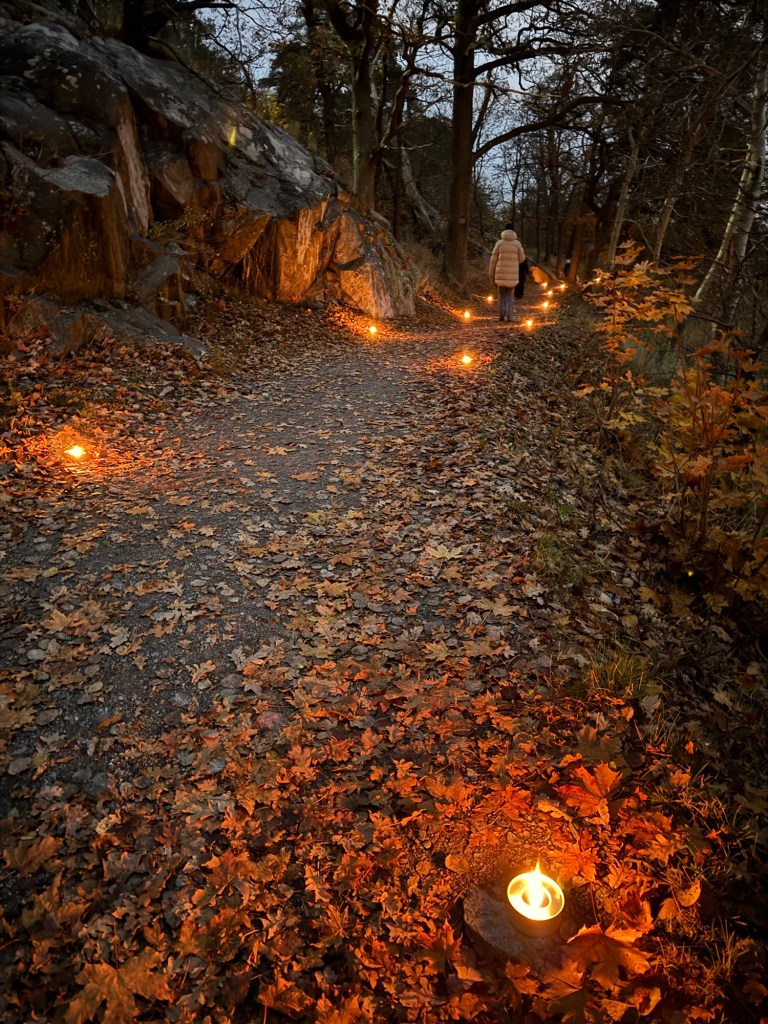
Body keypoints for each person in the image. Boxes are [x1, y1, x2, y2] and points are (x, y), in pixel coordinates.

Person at [489, 224, 525, 322]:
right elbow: (522, 259)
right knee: (509, 295)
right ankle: (510, 316)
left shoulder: (499, 243)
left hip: (500, 273)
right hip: (512, 274)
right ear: (513, 231)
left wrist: (491, 274)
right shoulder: (517, 244)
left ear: (504, 231)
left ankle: (501, 314)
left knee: (501, 294)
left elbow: (493, 260)